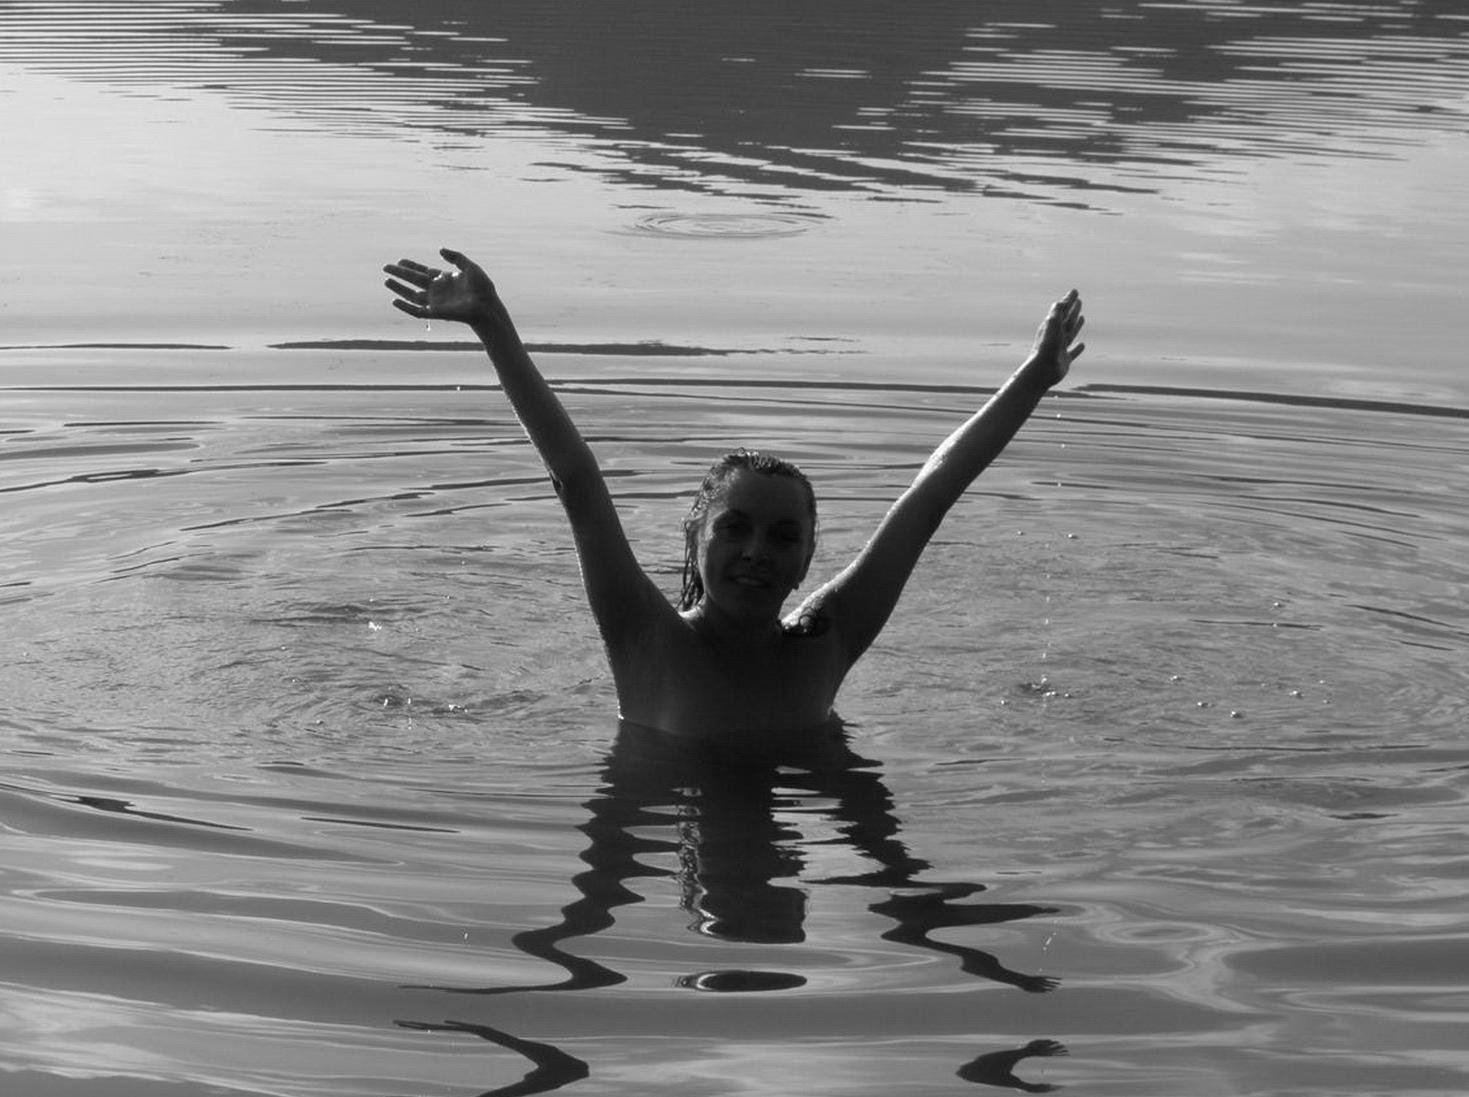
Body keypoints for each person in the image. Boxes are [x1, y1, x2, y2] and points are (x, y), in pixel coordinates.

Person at [383, 249, 1084, 738]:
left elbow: (931, 495)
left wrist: (1033, 377)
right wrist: (492, 324)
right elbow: (577, 481)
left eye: (783, 537)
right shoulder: (647, 639)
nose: (756, 552)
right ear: (694, 540)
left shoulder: (827, 641)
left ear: (808, 558)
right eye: (734, 527)